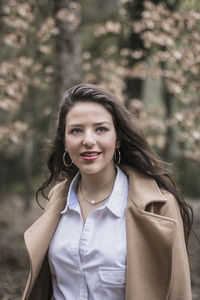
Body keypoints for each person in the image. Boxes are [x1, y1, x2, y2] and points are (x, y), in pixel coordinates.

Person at [22, 83, 192, 300]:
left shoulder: (159, 206)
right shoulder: (58, 198)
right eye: (76, 130)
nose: (88, 140)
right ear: (65, 142)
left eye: (101, 129)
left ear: (118, 138)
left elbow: (179, 293)